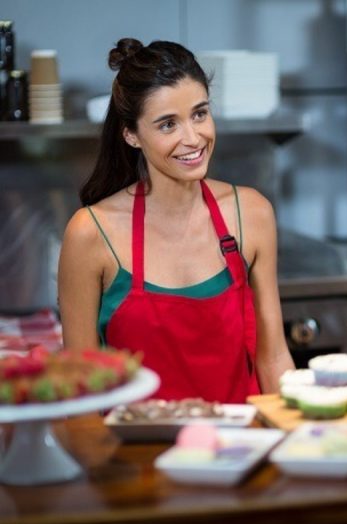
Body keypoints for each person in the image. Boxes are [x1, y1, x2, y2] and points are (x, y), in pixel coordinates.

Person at [57, 38, 295, 402]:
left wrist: (300, 440)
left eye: (199, 113)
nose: (193, 138)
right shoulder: (91, 232)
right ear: (131, 135)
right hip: (138, 453)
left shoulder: (252, 214)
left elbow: (273, 357)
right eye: (168, 124)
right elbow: (81, 384)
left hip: (239, 448)